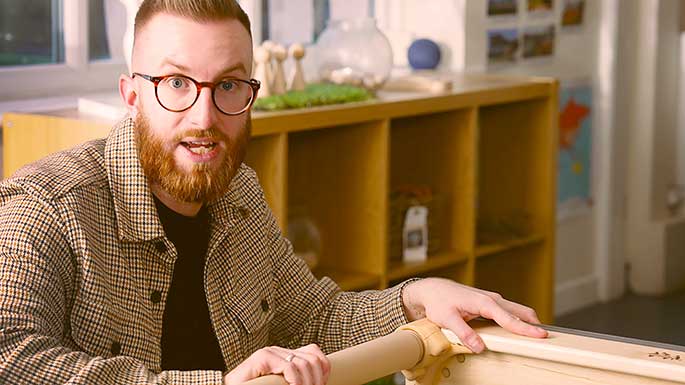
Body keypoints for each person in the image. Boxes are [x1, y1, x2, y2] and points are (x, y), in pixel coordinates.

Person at [0, 1, 547, 384]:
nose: (205, 116)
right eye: (176, 84)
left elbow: (313, 317)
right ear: (132, 95)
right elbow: (11, 361)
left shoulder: (239, 192)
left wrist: (417, 296)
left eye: (230, 85)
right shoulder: (45, 205)